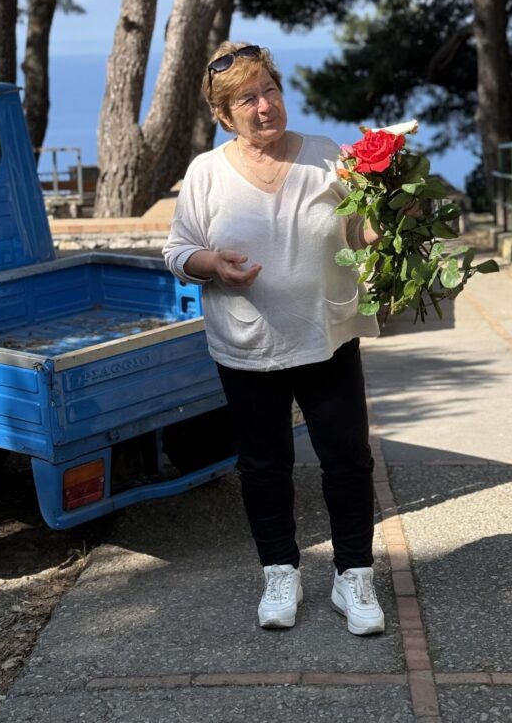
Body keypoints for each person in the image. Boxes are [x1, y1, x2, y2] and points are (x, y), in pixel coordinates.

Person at [163, 41, 386, 635]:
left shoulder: (327, 158)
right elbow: (177, 250)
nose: (265, 106)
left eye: (270, 90)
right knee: (264, 465)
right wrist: (211, 263)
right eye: (247, 99)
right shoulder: (206, 173)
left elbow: (359, 230)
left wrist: (394, 215)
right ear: (225, 115)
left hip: (327, 334)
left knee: (347, 459)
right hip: (246, 343)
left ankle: (354, 576)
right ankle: (279, 571)